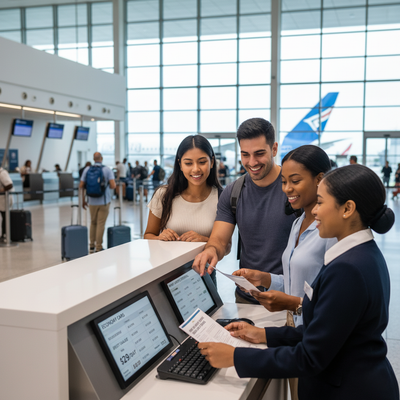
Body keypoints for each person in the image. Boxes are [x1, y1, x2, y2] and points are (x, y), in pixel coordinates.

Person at [198, 164, 399, 400]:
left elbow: (310, 357)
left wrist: (234, 357)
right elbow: (325, 330)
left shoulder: (348, 269)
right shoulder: (362, 254)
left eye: (321, 203)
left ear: (347, 209)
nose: (315, 212)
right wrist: (262, 335)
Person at [192, 117, 297, 304]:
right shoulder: (233, 193)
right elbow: (219, 240)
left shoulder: (294, 190)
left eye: (259, 153)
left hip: (288, 298)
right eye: (245, 154)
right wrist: (211, 251)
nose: (252, 162)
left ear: (274, 149)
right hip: (247, 298)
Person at [144, 135, 223, 286]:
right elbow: (148, 236)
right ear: (180, 164)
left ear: (212, 162)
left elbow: (226, 247)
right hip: (168, 276)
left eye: (202, 162)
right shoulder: (164, 195)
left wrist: (204, 240)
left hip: (204, 275)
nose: (195, 169)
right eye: (188, 163)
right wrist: (160, 238)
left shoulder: (221, 197)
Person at [79, 152, 116, 252]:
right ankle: (98, 246)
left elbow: (81, 185)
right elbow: (113, 186)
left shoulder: (87, 169)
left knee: (93, 222)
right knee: (100, 224)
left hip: (91, 201)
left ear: (93, 159)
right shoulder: (107, 169)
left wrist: (83, 200)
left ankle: (91, 245)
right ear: (102, 158)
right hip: (104, 201)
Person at [0, 167, 13, 240]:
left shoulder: (2, 173)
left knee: (5, 217)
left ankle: (5, 235)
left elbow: (9, 185)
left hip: (4, 199)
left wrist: (1, 190)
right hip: (1, 200)